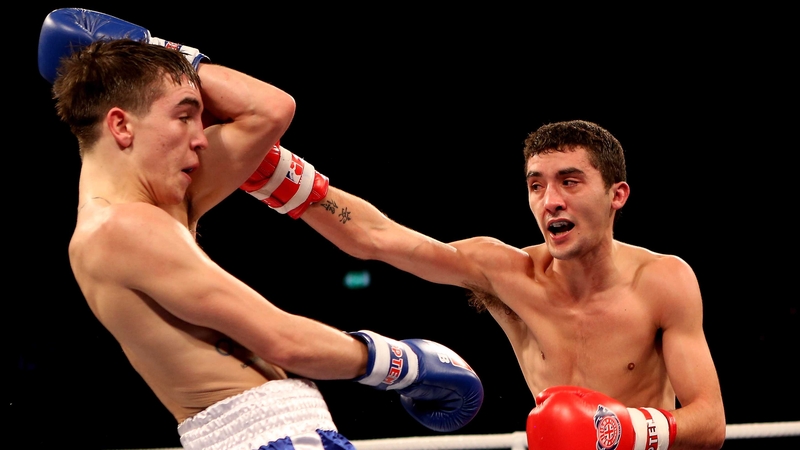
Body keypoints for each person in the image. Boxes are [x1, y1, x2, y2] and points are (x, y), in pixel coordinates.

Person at [41, 8, 483, 450]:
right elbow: (284, 341)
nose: (201, 137)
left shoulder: (164, 203)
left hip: (278, 428)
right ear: (120, 125)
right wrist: (404, 364)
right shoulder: (120, 227)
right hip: (262, 435)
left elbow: (270, 110)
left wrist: (152, 50)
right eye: (184, 117)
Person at [240, 120, 727, 449]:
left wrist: (617, 430)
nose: (549, 201)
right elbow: (376, 237)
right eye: (536, 185)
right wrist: (265, 169)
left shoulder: (662, 281)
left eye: (570, 181)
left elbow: (710, 422)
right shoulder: (508, 273)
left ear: (616, 194)